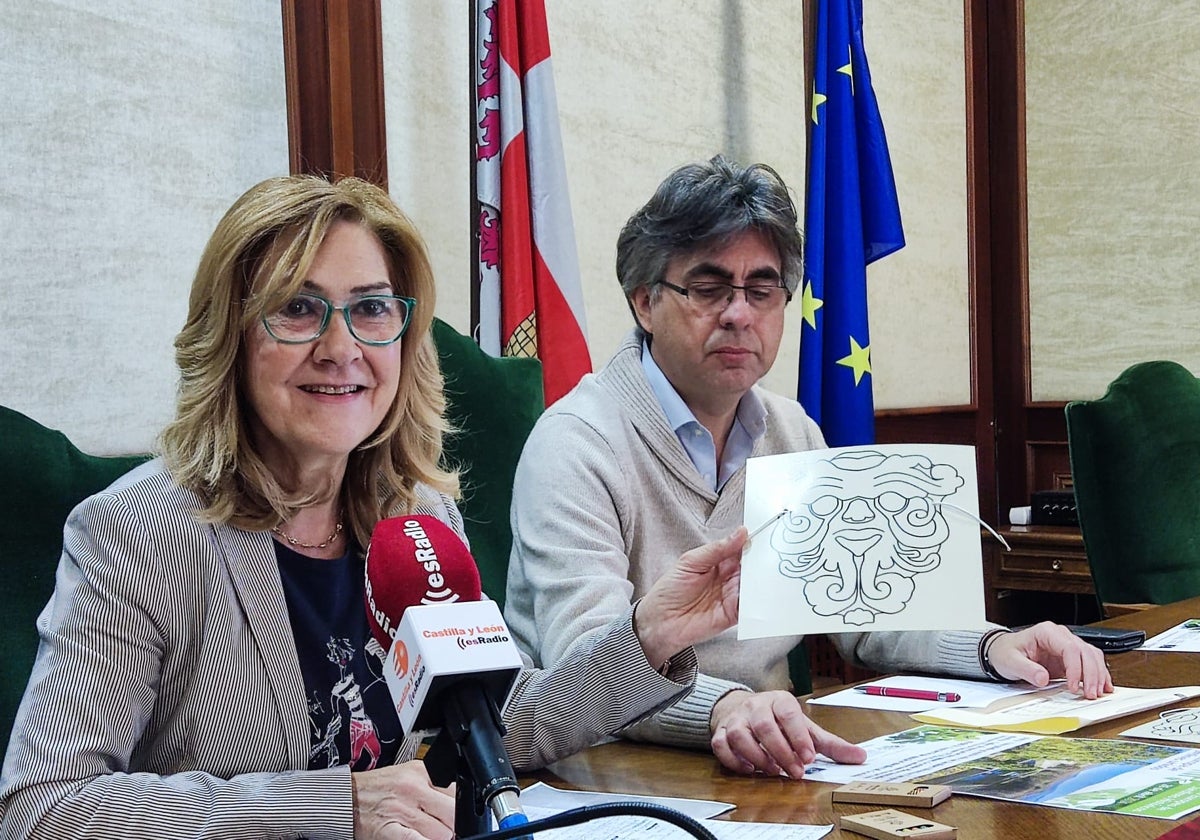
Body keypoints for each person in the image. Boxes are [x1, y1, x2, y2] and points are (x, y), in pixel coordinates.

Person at [0, 175, 750, 840]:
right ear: (229, 335)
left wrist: (648, 637)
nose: (341, 346)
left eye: (370, 309)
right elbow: (43, 809)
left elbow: (498, 725)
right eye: (298, 310)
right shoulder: (138, 534)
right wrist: (333, 808)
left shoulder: (415, 515)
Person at [504, 155, 1113, 779]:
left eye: (762, 290)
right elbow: (578, 665)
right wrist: (728, 707)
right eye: (709, 289)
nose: (739, 314)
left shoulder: (794, 431)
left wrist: (991, 646)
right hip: (605, 776)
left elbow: (864, 614)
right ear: (645, 303)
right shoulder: (575, 445)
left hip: (773, 761)